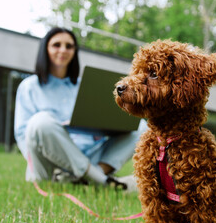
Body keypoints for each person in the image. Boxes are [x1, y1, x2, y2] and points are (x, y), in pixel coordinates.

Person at [14, 27, 146, 190]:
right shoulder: (29, 87)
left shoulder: (84, 85)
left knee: (141, 126)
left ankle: (88, 176)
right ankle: (102, 181)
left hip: (90, 156)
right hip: (49, 163)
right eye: (56, 45)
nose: (63, 50)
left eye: (69, 46)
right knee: (40, 122)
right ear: (45, 48)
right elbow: (22, 135)